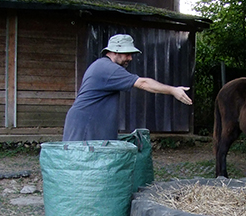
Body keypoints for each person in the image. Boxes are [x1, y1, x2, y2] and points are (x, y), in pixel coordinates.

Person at [62, 34, 193, 141]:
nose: (130, 58)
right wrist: (172, 90)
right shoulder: (108, 68)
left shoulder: (102, 65)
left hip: (90, 126)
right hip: (84, 126)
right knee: (84, 169)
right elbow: (143, 83)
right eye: (127, 53)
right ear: (114, 51)